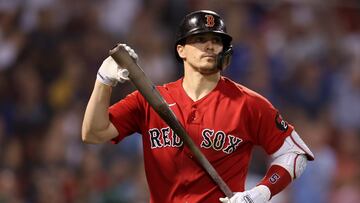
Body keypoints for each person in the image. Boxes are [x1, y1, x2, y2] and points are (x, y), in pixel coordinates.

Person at [82, 10, 314, 203]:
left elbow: (296, 153)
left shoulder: (248, 103)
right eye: (200, 39)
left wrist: (262, 192)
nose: (210, 46)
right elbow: (93, 132)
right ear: (180, 50)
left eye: (216, 41)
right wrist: (104, 81)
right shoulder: (150, 99)